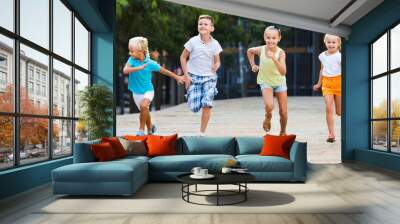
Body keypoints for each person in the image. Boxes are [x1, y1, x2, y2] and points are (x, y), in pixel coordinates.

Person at [123, 36, 185, 136]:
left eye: (132, 51)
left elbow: (164, 71)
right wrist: (139, 67)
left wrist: (177, 77)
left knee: (144, 106)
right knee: (145, 110)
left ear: (141, 51)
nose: (130, 53)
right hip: (136, 92)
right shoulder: (131, 60)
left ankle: (141, 130)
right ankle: (151, 127)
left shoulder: (150, 63)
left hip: (148, 90)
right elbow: (125, 70)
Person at [180, 15, 223, 136]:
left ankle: (202, 133)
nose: (202, 26)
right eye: (200, 24)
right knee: (194, 107)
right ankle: (190, 94)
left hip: (210, 77)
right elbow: (183, 57)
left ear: (212, 28)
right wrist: (186, 75)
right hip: (194, 77)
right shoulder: (192, 41)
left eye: (205, 24)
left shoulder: (215, 44)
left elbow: (218, 61)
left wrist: (216, 66)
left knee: (207, 104)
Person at [247, 26, 288, 136]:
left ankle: (283, 131)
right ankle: (268, 117)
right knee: (269, 106)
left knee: (283, 112)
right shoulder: (261, 49)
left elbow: (283, 72)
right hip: (265, 81)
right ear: (264, 37)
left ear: (279, 38)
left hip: (280, 82)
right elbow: (250, 51)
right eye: (268, 37)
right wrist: (253, 65)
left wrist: (274, 58)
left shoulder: (281, 52)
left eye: (274, 38)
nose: (271, 40)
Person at [313, 34, 342, 143]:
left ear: (338, 43)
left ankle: (339, 116)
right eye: (329, 42)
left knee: (339, 112)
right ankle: (331, 134)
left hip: (339, 82)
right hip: (327, 83)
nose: (331, 44)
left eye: (334, 42)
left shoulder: (340, 56)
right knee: (329, 106)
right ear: (325, 43)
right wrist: (319, 84)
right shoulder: (322, 56)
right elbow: (322, 70)